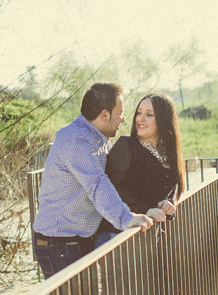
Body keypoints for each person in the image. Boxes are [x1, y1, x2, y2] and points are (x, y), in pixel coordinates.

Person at [32, 82, 154, 279]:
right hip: (59, 242)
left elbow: (118, 182)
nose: (123, 119)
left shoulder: (99, 138)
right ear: (104, 115)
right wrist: (126, 218)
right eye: (120, 112)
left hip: (78, 239)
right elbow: (97, 184)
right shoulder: (76, 140)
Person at [93, 93, 186, 248]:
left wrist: (168, 203)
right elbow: (110, 189)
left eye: (149, 114)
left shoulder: (171, 156)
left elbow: (168, 189)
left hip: (147, 237)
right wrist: (145, 209)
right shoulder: (126, 146)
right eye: (139, 113)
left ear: (164, 120)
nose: (140, 119)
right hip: (117, 236)